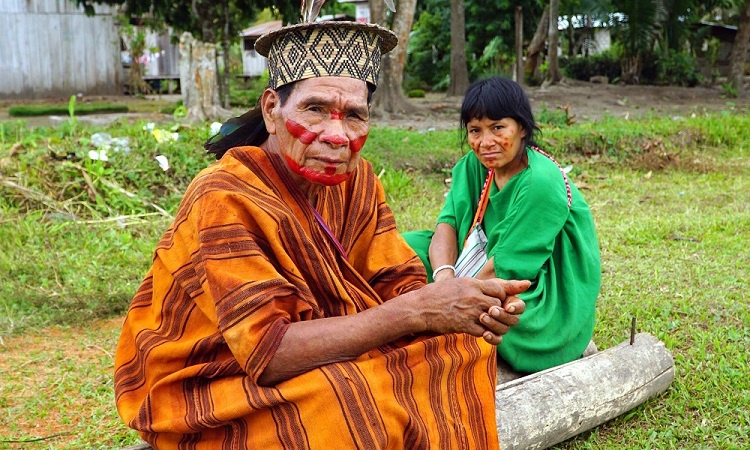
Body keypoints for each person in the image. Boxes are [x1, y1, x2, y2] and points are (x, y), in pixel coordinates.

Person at [114, 21, 529, 450]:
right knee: (346, 404)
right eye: (315, 109)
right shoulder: (223, 195)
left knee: (463, 348)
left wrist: (464, 306)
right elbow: (268, 354)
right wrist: (417, 311)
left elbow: (396, 281)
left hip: (321, 347)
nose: (337, 136)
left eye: (354, 116)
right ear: (273, 109)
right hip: (212, 376)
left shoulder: (358, 179)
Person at [403, 77, 601, 375]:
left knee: (504, 312)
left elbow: (505, 270)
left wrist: (448, 304)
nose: (486, 142)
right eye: (475, 131)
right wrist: (443, 283)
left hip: (538, 286)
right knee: (400, 249)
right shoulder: (474, 165)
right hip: (472, 266)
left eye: (498, 128)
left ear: (522, 128)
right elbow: (448, 226)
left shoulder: (541, 182)